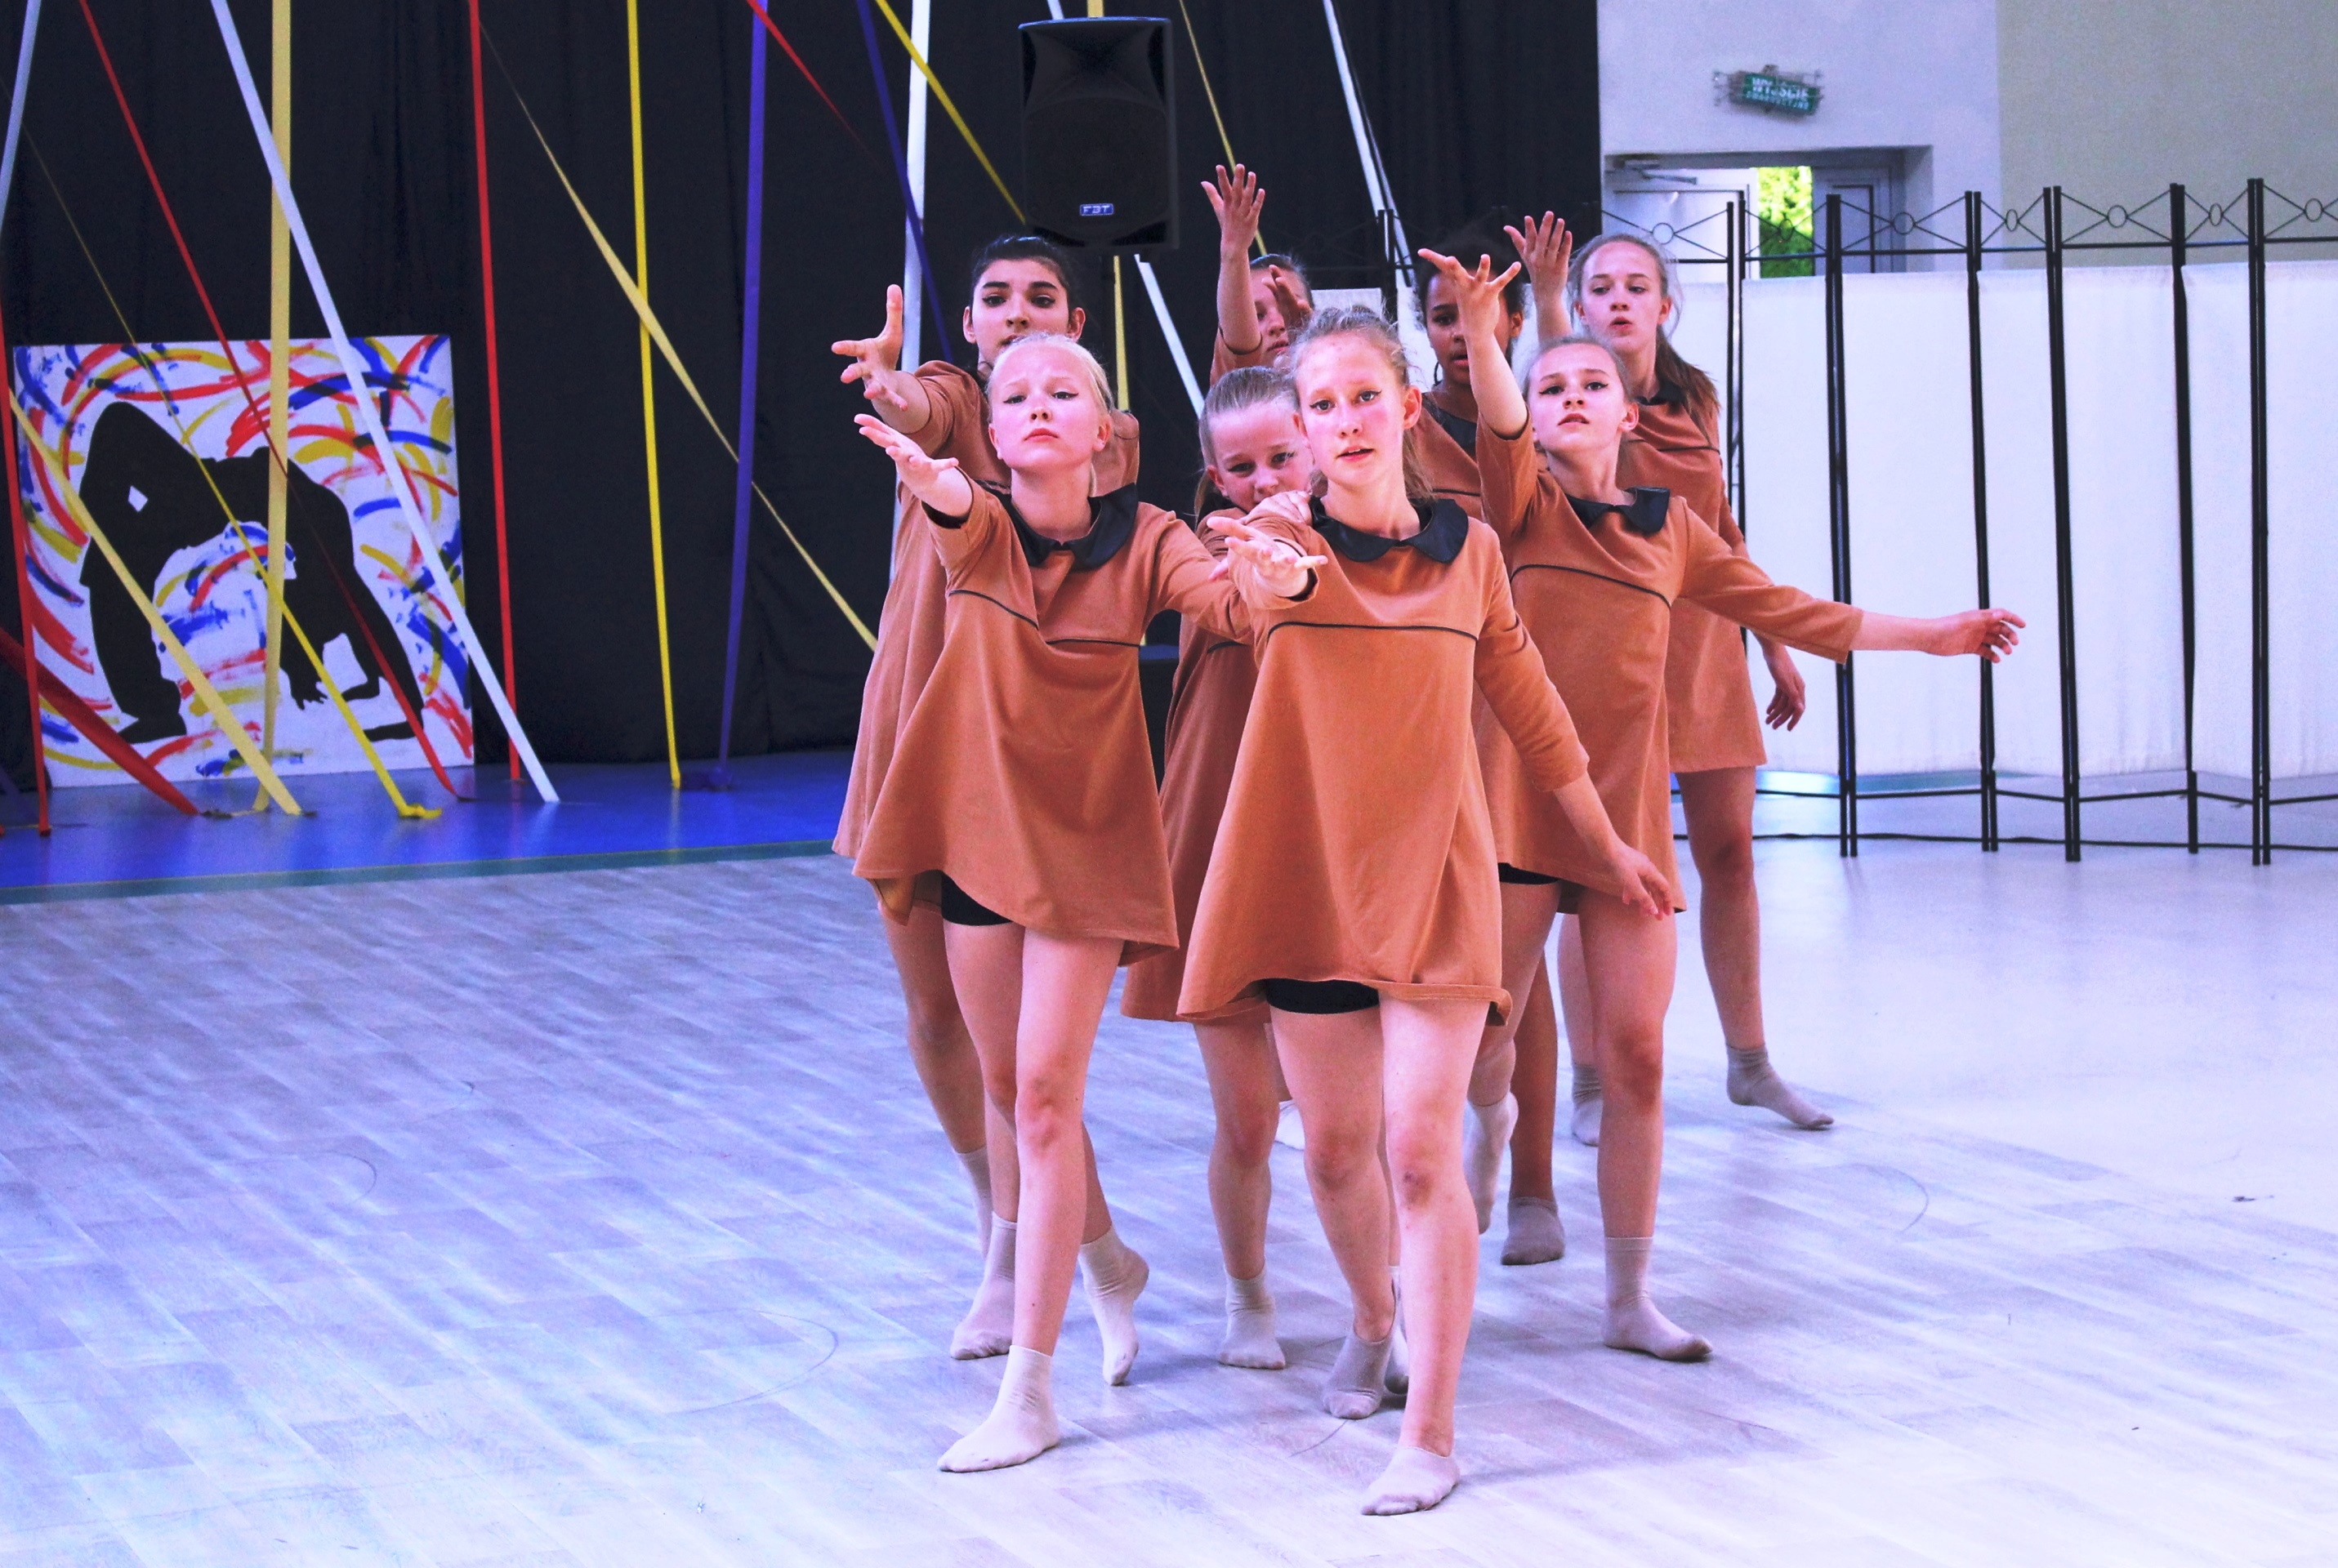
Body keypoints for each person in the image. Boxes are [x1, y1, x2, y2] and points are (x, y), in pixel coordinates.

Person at [1422, 250, 2023, 1372]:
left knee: (1640, 1059)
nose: (1568, 399)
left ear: (1626, 413)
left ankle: (1628, 1296)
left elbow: (1792, 608)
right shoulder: (1519, 503)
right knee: (1482, 1047)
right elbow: (1495, 410)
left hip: (1625, 830)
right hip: (1514, 818)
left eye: (1590, 385)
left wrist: (1932, 636)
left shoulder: (1672, 530)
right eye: (1549, 387)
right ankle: (1493, 1128)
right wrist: (1487, 326)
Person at [1180, 306, 1671, 1516]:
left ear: (1404, 409)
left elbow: (1532, 705)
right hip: (1305, 882)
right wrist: (1266, 572)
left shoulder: (1472, 554)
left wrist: (1607, 843)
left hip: (1438, 882)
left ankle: (1433, 1431)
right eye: (1321, 404)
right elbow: (1250, 594)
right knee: (1335, 1150)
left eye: (1364, 397)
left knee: (1417, 1147)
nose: (1344, 420)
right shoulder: (1276, 539)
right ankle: (1370, 1317)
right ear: (1300, 431)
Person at [853, 335, 1248, 1475]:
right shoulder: (977, 524)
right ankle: (1110, 1264)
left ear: (1104, 431)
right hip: (980, 840)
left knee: (1040, 1097)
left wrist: (1279, 574)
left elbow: (1224, 605)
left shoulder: (1152, 538)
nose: (1035, 406)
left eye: (1061, 391)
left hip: (1088, 852)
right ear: (994, 429)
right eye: (1015, 394)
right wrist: (926, 477)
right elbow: (951, 507)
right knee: (1011, 1090)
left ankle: (1030, 1393)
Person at [830, 238, 1137, 1360]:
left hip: (1023, 760)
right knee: (935, 1016)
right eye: (997, 299)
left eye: (1042, 297)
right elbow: (919, 408)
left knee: (1019, 1057)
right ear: (967, 327)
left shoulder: (1099, 436)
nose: (1019, 312)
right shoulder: (960, 404)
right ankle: (1006, 1218)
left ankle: (1016, 1254)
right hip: (915, 729)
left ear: (1080, 325)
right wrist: (889, 386)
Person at [1559, 231, 1830, 1147]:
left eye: (1638, 286)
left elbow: (1720, 527)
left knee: (1732, 856)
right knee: (1596, 878)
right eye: (1602, 287)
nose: (1620, 300)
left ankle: (1751, 1063)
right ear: (1580, 306)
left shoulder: (1696, 398)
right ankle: (1591, 1082)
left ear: (1666, 305)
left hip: (1705, 646)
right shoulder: (1570, 393)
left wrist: (1777, 643)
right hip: (1608, 654)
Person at [1122, 368, 1314, 1374]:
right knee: (1245, 1118)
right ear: (1212, 477)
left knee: (1353, 1125)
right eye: (1240, 467)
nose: (1264, 479)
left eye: (1282, 457)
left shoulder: (1374, 541)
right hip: (1216, 848)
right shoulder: (1204, 554)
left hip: (1323, 846)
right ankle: (1248, 1296)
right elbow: (1248, 598)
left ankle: (1389, 1308)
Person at [1202, 163, 1314, 382]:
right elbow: (1239, 352)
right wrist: (1234, 252)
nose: (1277, 325)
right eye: (1257, 316)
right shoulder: (1235, 383)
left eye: (1287, 309)